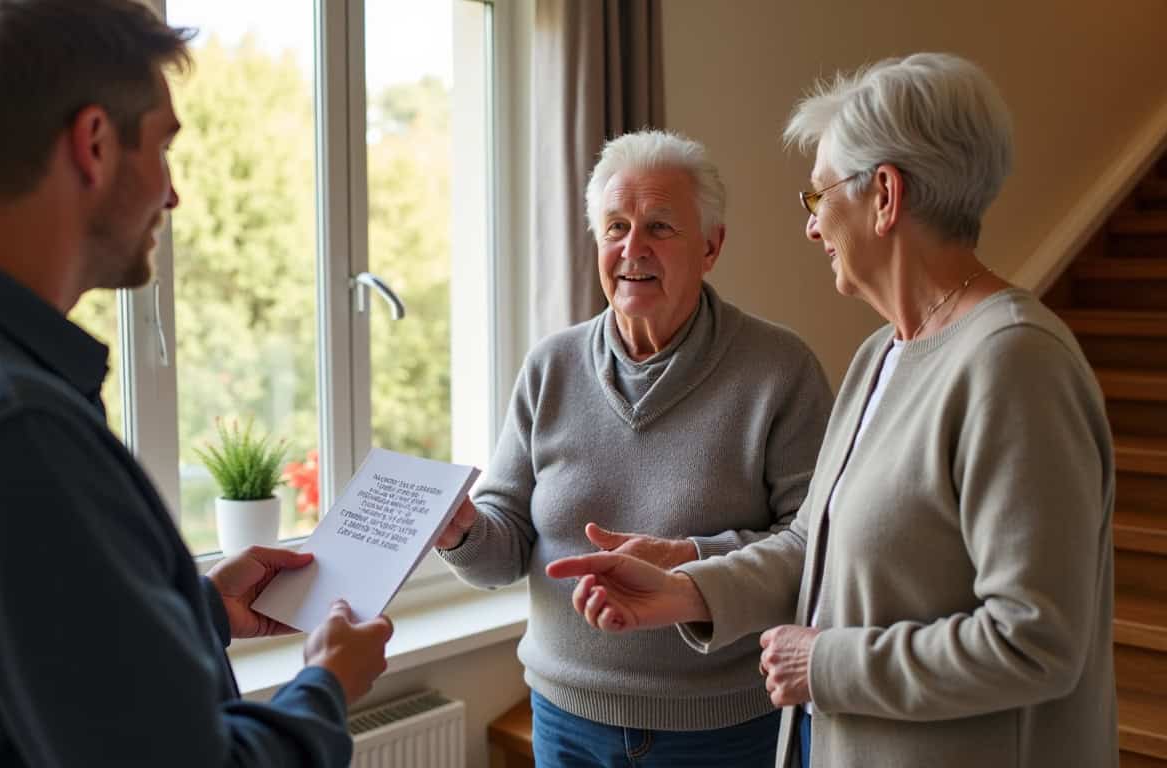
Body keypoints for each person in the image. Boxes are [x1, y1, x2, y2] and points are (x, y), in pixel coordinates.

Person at [0, 1, 393, 765]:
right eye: (162, 148)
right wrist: (326, 684)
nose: (171, 194)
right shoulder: (12, 429)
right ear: (94, 144)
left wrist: (197, 609)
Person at [548, 53, 1118, 768]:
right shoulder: (882, 353)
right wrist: (685, 589)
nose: (812, 228)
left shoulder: (1015, 363)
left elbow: (1034, 641)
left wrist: (826, 665)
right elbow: (811, 545)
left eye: (818, 199)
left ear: (884, 195)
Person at [435, 130, 833, 766]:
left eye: (660, 227)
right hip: (565, 720)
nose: (633, 248)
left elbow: (816, 547)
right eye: (616, 226)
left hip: (723, 731)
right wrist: (459, 532)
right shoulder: (550, 367)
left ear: (711, 246)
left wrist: (687, 565)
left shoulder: (779, 370)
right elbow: (502, 551)